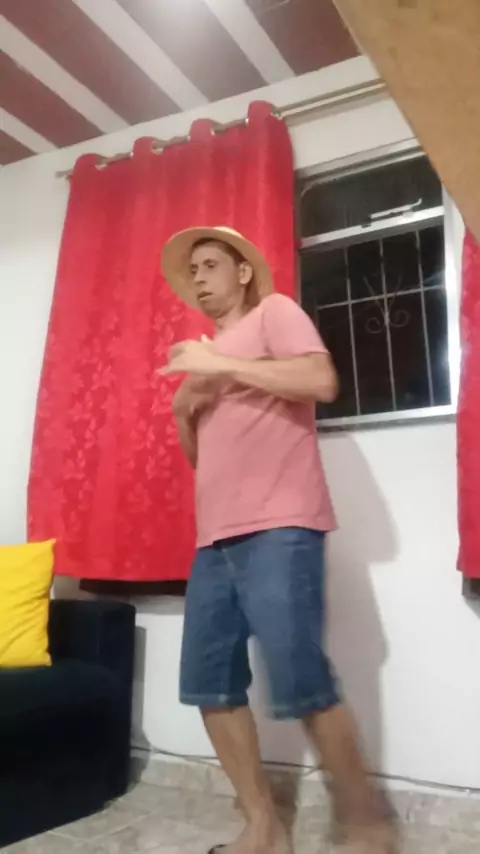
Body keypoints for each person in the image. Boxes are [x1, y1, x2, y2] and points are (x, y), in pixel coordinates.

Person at [160, 227, 396, 854]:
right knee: (209, 683)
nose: (200, 278)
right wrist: (184, 409)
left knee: (300, 677)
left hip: (280, 526)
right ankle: (262, 829)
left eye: (211, 264)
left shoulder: (274, 314)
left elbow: (321, 381)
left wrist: (221, 365)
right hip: (214, 539)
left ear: (242, 272)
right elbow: (201, 457)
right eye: (193, 271)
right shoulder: (205, 358)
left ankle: (369, 827)